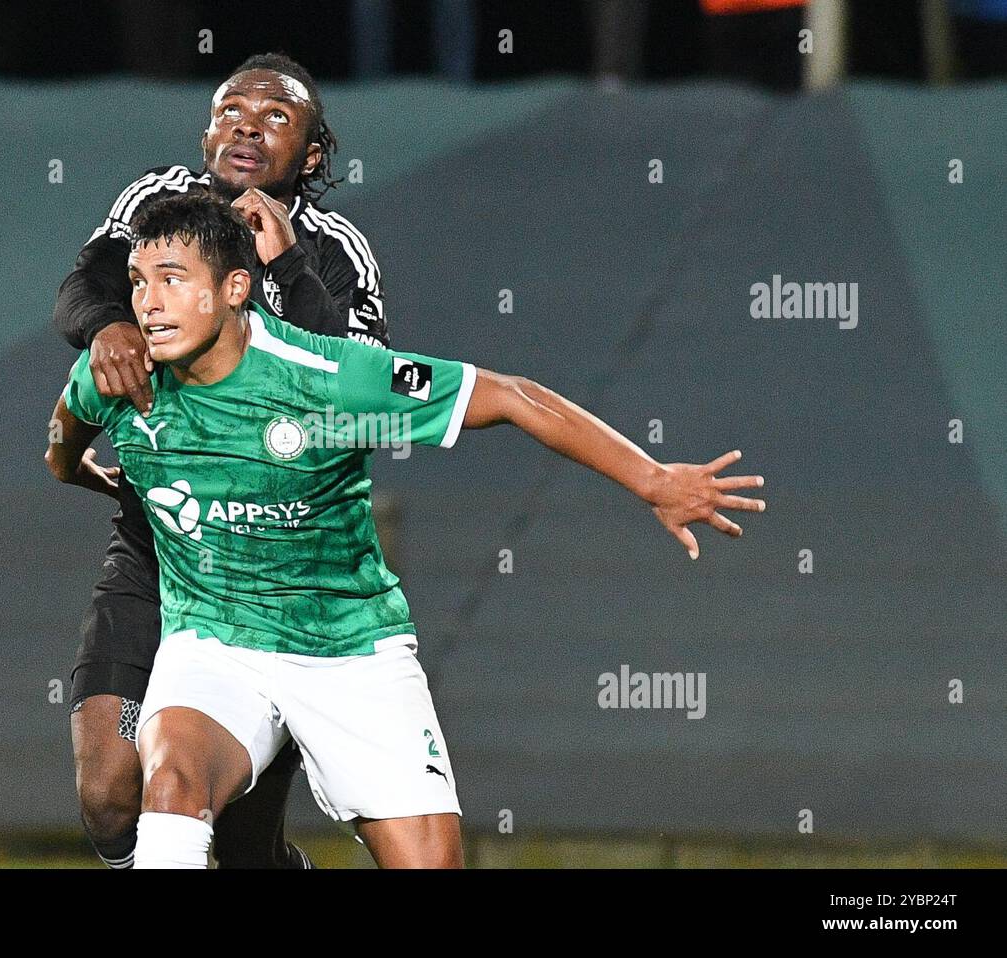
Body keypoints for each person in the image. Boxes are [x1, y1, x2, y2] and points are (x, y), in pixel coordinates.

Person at [46, 192, 768, 868]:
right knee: (169, 787)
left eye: (171, 279)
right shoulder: (120, 372)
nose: (147, 302)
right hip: (215, 643)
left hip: (348, 649)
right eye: (138, 282)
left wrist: (654, 481)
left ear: (236, 288)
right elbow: (65, 427)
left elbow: (512, 397)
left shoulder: (329, 377)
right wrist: (71, 464)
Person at [52, 52, 388, 869]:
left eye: (276, 116)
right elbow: (83, 292)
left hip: (275, 568)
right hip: (158, 539)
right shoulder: (154, 204)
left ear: (311, 156)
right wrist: (108, 327)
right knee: (108, 796)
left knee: (238, 847)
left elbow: (361, 398)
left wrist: (284, 265)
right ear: (206, 130)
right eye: (231, 109)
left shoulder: (336, 249)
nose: (247, 123)